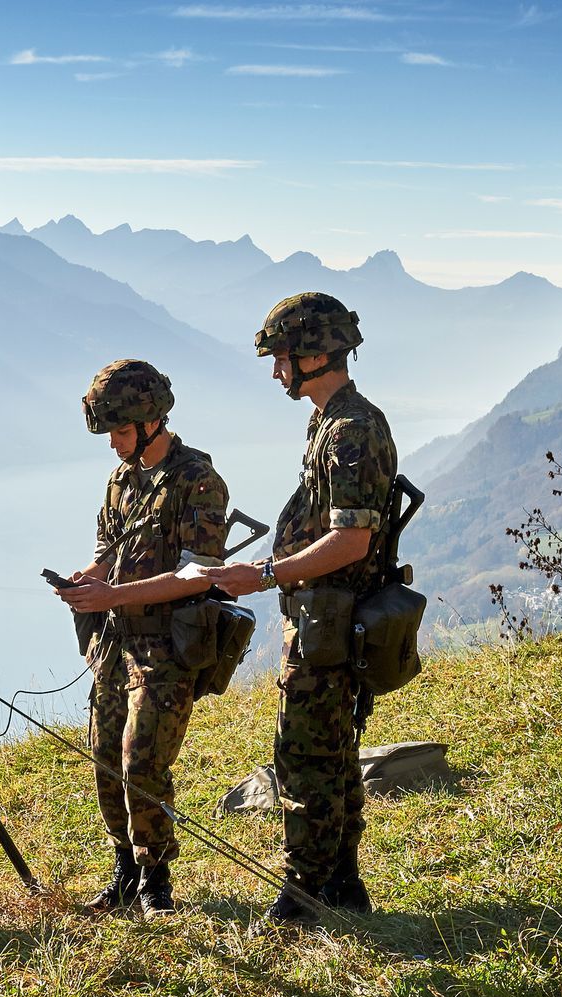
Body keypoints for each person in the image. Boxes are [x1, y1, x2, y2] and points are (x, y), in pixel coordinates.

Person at [191, 294, 397, 927]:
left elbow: (351, 540)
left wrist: (263, 574)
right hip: (322, 613)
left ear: (313, 354)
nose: (277, 372)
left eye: (281, 358)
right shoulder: (330, 421)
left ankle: (303, 896)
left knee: (304, 755)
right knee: (330, 751)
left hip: (330, 616)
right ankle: (342, 883)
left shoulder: (350, 429)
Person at [56, 359, 229, 916]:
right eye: (109, 432)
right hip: (114, 645)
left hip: (166, 649)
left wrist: (113, 595)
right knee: (105, 757)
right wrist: (89, 576)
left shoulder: (198, 482)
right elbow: (110, 548)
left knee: (141, 762)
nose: (113, 443)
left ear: (153, 420)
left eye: (122, 431)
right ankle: (124, 871)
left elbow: (198, 573)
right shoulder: (121, 480)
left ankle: (157, 880)